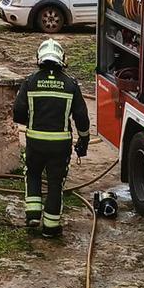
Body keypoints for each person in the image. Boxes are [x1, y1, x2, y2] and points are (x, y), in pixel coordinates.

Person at [12, 39, 90, 239]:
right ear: (62, 59)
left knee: (33, 175)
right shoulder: (71, 84)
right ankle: (51, 227)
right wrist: (84, 140)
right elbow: (81, 117)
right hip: (60, 145)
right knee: (55, 183)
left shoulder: (30, 81)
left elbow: (18, 112)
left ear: (39, 58)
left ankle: (32, 216)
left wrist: (31, 122)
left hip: (35, 142)